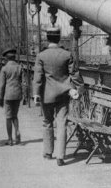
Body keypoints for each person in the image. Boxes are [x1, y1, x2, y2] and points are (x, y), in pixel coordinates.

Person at [32, 26, 79, 166]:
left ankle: (48, 152)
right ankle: (60, 156)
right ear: (59, 38)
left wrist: (36, 94)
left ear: (47, 38)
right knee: (62, 124)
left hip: (46, 95)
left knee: (47, 122)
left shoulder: (41, 55)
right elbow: (75, 74)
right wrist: (78, 89)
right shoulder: (67, 54)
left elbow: (38, 77)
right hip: (63, 95)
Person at [0, 48, 23, 146]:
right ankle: (17, 133)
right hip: (17, 94)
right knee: (15, 115)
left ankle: (10, 139)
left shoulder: (4, 69)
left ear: (6, 58)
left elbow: (1, 85)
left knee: (8, 117)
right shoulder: (19, 67)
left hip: (8, 95)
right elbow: (22, 81)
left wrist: (0, 98)